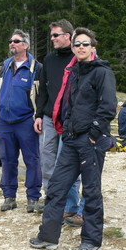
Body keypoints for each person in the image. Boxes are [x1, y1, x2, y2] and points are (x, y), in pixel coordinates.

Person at [30, 27, 117, 250]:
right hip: (71, 139)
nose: (80, 47)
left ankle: (91, 240)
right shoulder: (74, 72)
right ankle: (48, 236)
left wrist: (92, 134)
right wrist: (68, 127)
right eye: (77, 44)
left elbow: (108, 108)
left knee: (91, 190)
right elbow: (68, 105)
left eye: (85, 44)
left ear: (93, 48)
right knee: (57, 187)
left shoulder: (102, 73)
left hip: (91, 141)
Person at [34, 19, 85, 224]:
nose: (52, 38)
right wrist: (38, 115)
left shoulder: (79, 58)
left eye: (56, 35)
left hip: (70, 121)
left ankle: (71, 206)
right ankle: (53, 200)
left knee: (67, 163)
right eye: (51, 35)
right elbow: (43, 90)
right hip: (48, 118)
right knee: (46, 161)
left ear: (68, 36)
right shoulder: (48, 59)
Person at [0, 29, 42, 213]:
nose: (12, 43)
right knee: (7, 160)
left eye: (16, 41)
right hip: (4, 121)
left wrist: (39, 117)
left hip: (26, 121)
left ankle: (33, 198)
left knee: (32, 160)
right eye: (11, 41)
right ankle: (9, 197)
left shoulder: (36, 67)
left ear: (26, 45)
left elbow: (41, 95)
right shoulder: (5, 65)